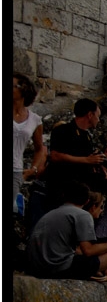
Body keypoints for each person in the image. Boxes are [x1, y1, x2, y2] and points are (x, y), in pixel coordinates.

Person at [26, 181, 107, 282]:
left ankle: (103, 273)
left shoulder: (51, 213)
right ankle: (105, 274)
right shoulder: (82, 215)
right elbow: (88, 250)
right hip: (59, 268)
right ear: (87, 201)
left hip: (37, 268)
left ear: (64, 196)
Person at [40, 98, 106, 227]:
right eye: (97, 116)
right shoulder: (63, 130)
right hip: (62, 186)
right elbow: (55, 156)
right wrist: (86, 160)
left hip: (80, 188)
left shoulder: (87, 137)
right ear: (90, 114)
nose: (98, 120)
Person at [13, 72, 46, 215]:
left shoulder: (35, 120)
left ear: (23, 89)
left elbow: (40, 148)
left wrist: (33, 169)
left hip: (15, 170)